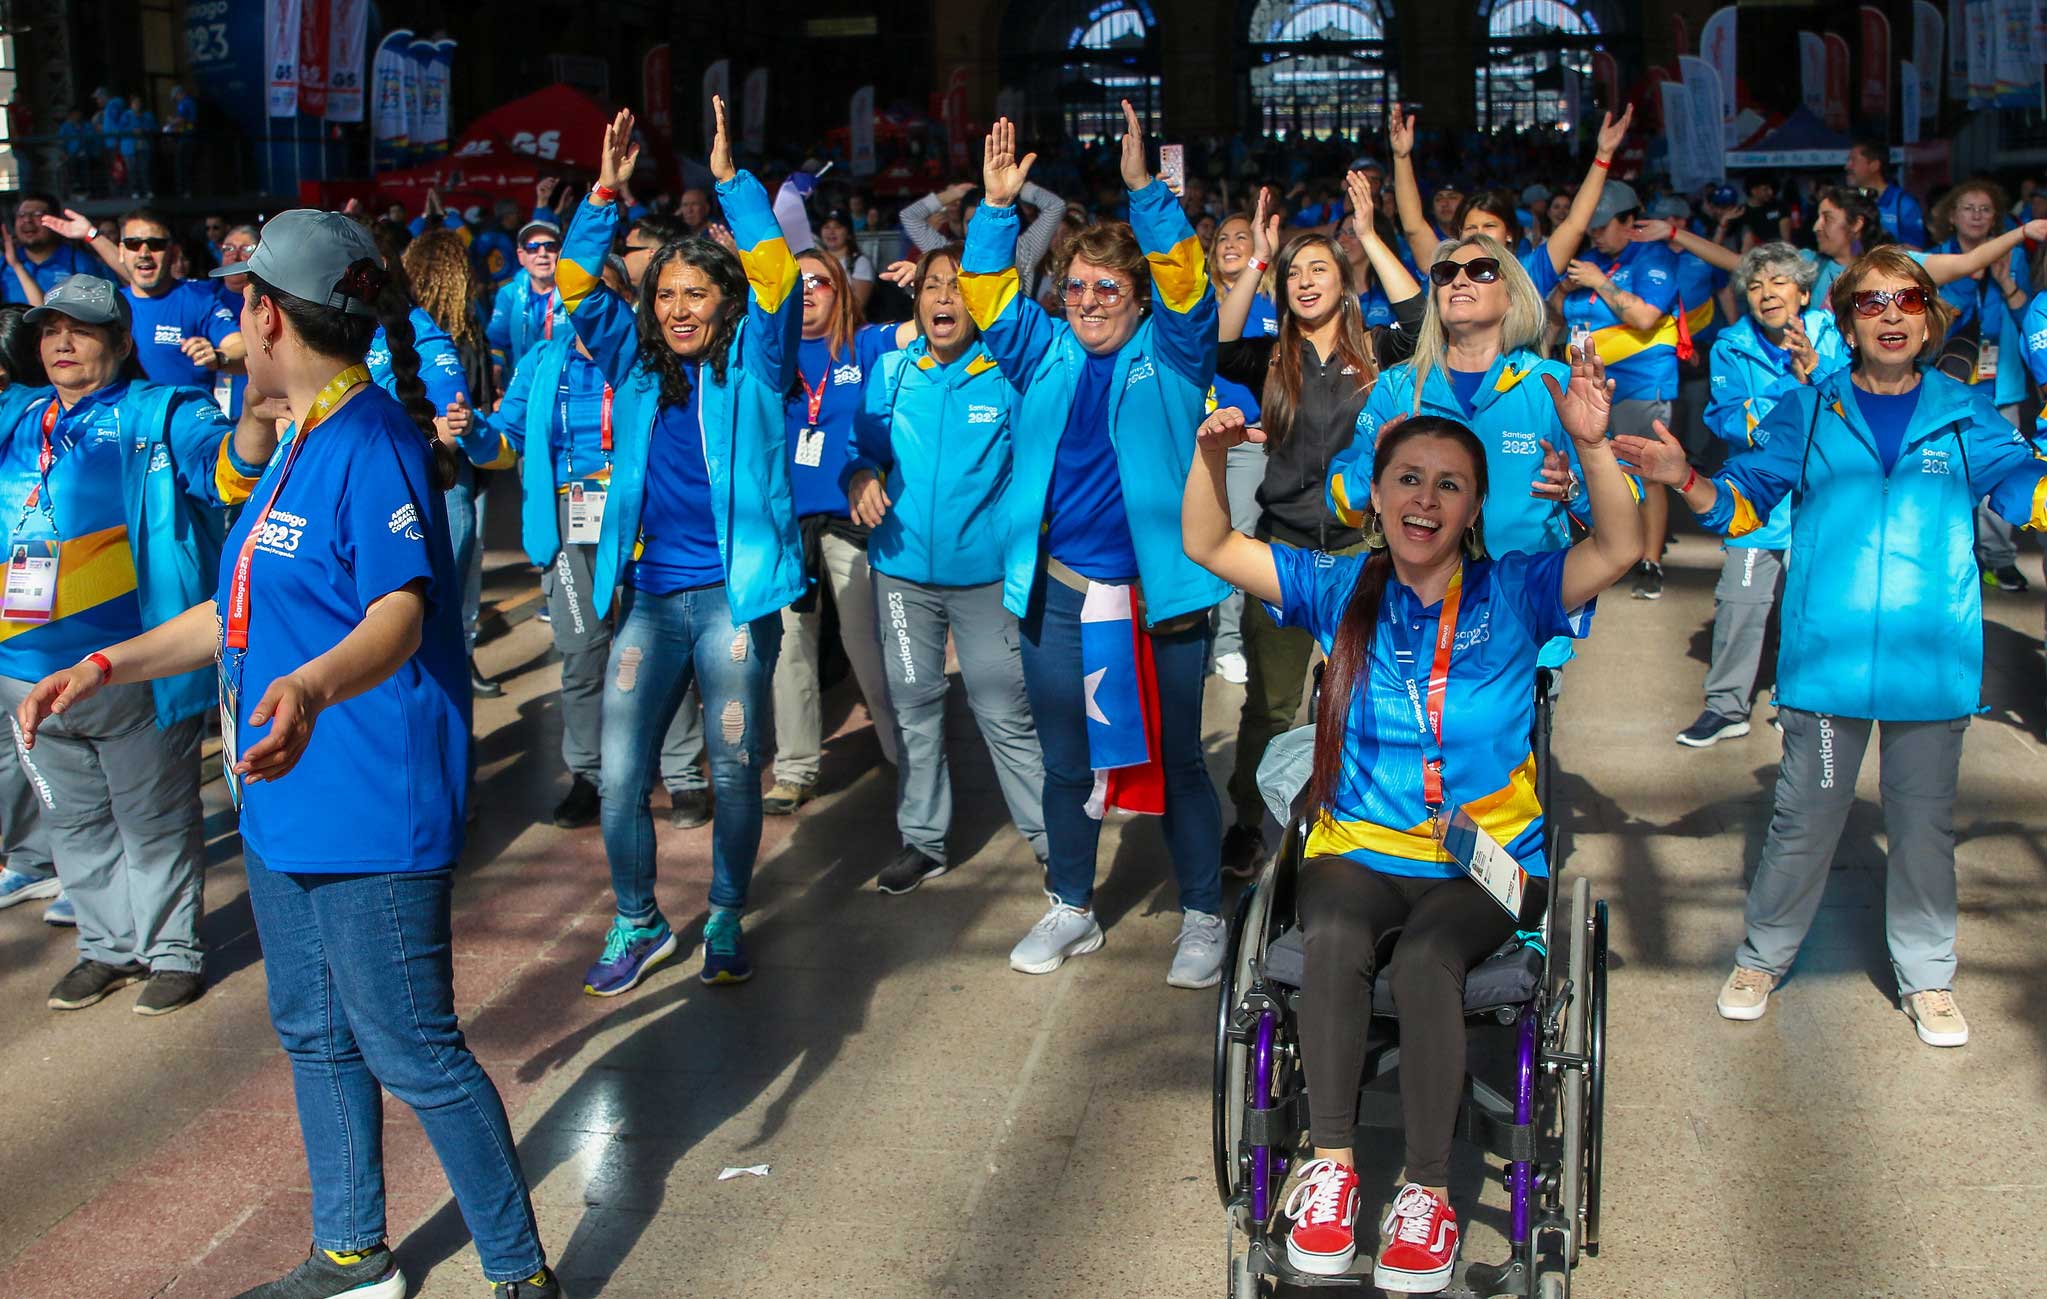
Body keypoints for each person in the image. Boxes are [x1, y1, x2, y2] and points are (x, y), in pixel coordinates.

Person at [15, 209, 565, 1299]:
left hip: (367, 805)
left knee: (412, 1048)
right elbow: (231, 609)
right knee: (313, 1031)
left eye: (240, 300)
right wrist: (106, 665)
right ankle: (354, 1257)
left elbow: (401, 613)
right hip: (280, 797)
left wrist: (312, 687)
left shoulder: (374, 441)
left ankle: (518, 1275)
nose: (229, 317)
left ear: (269, 314)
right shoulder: (294, 438)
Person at [1182, 351, 1641, 1290]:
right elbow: (1211, 546)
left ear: (1473, 507)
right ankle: (1334, 1168)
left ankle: (1426, 1194)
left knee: (1431, 957)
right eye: (1407, 479)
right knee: (1336, 929)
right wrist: (1209, 459)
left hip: (1480, 861)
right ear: (1377, 494)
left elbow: (1620, 548)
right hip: (1358, 843)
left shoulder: (1515, 590)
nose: (1424, 499)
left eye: (1448, 485)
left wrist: (1593, 450)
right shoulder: (1337, 586)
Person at [1614, 246, 2047, 1049]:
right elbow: (1744, 504)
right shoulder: (1809, 409)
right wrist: (1686, 479)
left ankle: (1927, 977)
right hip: (1824, 667)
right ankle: (1760, 956)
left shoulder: (1964, 412)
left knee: (1921, 826)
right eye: (1871, 302)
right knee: (1804, 819)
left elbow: (2021, 491)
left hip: (1931, 669)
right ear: (1845, 318)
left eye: (1906, 300)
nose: (1889, 314)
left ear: (1928, 317)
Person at [963, 106, 1230, 987]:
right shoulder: (1043, 353)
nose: (1085, 305)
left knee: (1180, 759)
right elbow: (987, 295)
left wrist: (1146, 191)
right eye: (1073, 289)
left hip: (1161, 598)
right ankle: (1071, 906)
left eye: (1105, 291)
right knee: (1064, 761)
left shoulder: (1177, 348)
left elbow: (1188, 280)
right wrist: (997, 212)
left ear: (1137, 296)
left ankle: (1201, 914)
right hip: (1062, 595)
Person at [564, 101, 804, 996]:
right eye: (664, 296)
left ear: (724, 302)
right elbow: (580, 288)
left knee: (735, 771)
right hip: (652, 602)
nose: (676, 310)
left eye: (694, 294)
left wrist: (733, 183)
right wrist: (604, 193)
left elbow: (777, 280)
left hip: (736, 604)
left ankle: (729, 911)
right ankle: (638, 919)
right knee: (621, 776)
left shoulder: (757, 363)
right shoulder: (634, 365)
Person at [0, 274, 277, 1016]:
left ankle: (174, 950)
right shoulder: (18, 415)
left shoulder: (162, 412)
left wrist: (253, 413)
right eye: (51, 329)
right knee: (74, 819)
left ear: (121, 342)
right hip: (24, 670)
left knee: (152, 818)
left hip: (133, 668)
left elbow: (232, 471)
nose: (62, 342)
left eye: (82, 330)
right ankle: (105, 947)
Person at [1214, 177, 1426, 878]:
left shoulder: (1378, 351)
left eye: (1318, 269)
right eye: (1293, 273)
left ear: (1343, 282)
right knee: (1270, 704)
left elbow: (1423, 313)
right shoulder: (1271, 358)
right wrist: (1255, 260)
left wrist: (1367, 235)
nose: (1304, 282)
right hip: (1281, 551)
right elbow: (1217, 342)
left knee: (1366, 695)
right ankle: (1250, 823)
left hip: (1364, 553)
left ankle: (1362, 820)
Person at [848, 245, 1050, 892]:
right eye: (933, 286)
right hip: (902, 573)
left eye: (957, 288)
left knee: (1003, 709)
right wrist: (856, 478)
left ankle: (1054, 844)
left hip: (986, 576)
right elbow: (861, 449)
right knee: (914, 705)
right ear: (918, 301)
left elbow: (1037, 466)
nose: (943, 298)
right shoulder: (889, 372)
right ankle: (923, 840)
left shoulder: (1004, 375)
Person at [1676, 243, 1846, 748]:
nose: (1766, 293)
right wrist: (1799, 396)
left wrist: (1811, 373)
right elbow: (1729, 418)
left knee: (1814, 606)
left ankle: (1804, 700)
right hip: (1757, 501)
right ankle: (1726, 707)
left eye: (1777, 282)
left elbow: (1846, 409)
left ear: (1803, 292)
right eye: (1754, 285)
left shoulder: (1833, 335)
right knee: (1740, 602)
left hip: (1820, 499)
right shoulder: (1731, 344)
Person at [764, 249, 901, 816]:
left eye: (820, 280)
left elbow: (939, 324)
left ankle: (905, 756)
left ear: (841, 288)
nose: (809, 290)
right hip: (788, 530)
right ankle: (795, 769)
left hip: (853, 529)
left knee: (868, 648)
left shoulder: (866, 345)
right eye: (798, 283)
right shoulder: (773, 355)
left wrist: (933, 284)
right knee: (788, 652)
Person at [371, 228, 501, 698]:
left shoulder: (425, 335)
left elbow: (450, 428)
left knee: (429, 640)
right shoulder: (348, 333)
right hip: (385, 508)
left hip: (438, 495)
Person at [1557, 178, 1679, 599]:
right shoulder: (1588, 260)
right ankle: (1609, 554)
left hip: (1641, 384)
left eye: (1603, 224)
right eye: (1589, 226)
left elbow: (1646, 317)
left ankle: (1651, 562)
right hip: (1589, 389)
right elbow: (1557, 318)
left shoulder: (1652, 257)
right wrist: (1564, 289)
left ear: (1630, 221)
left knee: (1649, 473)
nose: (1594, 233)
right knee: (1599, 473)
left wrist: (1599, 282)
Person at [1389, 105, 1633, 299]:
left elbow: (1576, 224)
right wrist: (1401, 157)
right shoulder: (1446, 270)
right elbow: (1413, 227)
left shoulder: (1530, 271)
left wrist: (1603, 155)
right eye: (1471, 228)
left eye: (1489, 226)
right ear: (1459, 234)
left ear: (1508, 233)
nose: (1479, 234)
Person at [1926, 179, 2035, 592]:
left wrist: (2007, 283)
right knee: (1941, 471)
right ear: (1951, 216)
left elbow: (2029, 321)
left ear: (1996, 218)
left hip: (1999, 385)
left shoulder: (2012, 257)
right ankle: (1950, 556)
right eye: (1967, 208)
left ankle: (1999, 557)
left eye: (1985, 209)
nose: (1975, 215)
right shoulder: (1934, 260)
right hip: (1946, 384)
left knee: (2001, 470)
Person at [0, 303, 59, 919]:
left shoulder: (48, 424)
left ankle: (64, 868)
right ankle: (27, 858)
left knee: (40, 745)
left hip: (43, 619)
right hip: (13, 618)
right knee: (9, 751)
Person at [1205, 208, 1274, 687]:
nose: (1231, 243)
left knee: (1237, 540)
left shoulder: (1274, 306)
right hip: (1199, 442)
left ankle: (1227, 642)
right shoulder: (1198, 301)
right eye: (1224, 237)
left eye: (1242, 237)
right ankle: (1210, 637)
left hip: (1250, 442)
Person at [115, 207, 244, 391]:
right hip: (126, 418)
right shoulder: (110, 305)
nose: (144, 253)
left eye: (156, 244)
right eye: (133, 244)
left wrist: (218, 357)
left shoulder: (200, 302)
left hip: (187, 417)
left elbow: (240, 348)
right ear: (121, 251)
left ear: (174, 253)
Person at [906, 174, 1067, 301]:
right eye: (969, 222)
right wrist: (954, 193)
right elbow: (909, 216)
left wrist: (1015, 186)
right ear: (961, 225)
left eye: (982, 221)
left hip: (1013, 341)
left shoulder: (1021, 252)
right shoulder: (950, 256)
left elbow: (1055, 206)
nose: (976, 229)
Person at [486, 216, 569, 380]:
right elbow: (496, 341)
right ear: (521, 256)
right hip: (523, 387)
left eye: (550, 246)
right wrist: (496, 367)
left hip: (566, 388)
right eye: (533, 247)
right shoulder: (508, 293)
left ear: (560, 252)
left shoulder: (576, 293)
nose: (542, 253)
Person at [210, 223, 259, 418]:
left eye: (246, 249)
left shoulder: (273, 302)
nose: (235, 255)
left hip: (257, 408)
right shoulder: (205, 298)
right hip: (214, 411)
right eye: (228, 248)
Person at [1847, 139, 1927, 248]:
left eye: (1853, 161)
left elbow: (1914, 251)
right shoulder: (1850, 201)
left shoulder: (1904, 204)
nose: (1847, 166)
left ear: (1874, 165)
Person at [817, 208, 875, 312]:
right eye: (826, 227)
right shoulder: (815, 262)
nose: (831, 232)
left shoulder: (860, 262)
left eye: (837, 227)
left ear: (848, 233)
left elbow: (859, 305)